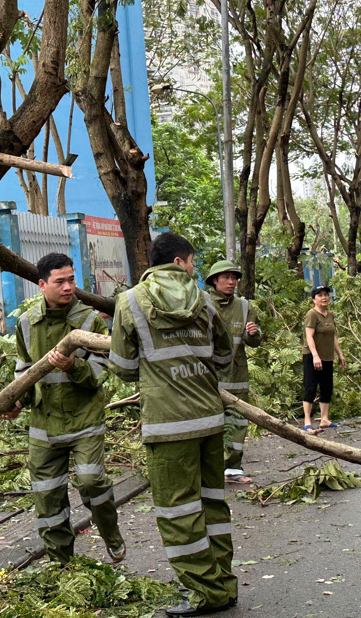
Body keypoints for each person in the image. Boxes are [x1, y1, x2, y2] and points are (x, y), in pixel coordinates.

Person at [109, 232, 237, 617]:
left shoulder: (129, 301)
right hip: (211, 421)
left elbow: (123, 368)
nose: (195, 268)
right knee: (212, 503)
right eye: (194, 262)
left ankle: (205, 592)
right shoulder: (206, 302)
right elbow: (224, 357)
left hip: (167, 426)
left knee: (177, 512)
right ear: (181, 261)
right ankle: (223, 585)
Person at [2, 252, 126, 566]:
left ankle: (111, 535)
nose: (69, 287)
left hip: (84, 419)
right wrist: (17, 400)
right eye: (60, 281)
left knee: (90, 480)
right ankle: (63, 567)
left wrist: (74, 367)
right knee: (47, 497)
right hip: (44, 425)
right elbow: (24, 372)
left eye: (71, 280)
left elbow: (100, 374)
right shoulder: (27, 323)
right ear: (42, 285)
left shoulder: (89, 320)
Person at [205, 259, 263, 485]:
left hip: (236, 377)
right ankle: (211, 469)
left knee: (237, 424)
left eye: (234, 278)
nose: (231, 282)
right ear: (214, 280)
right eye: (226, 278)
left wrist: (253, 333)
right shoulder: (203, 303)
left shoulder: (246, 306)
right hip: (207, 377)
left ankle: (232, 469)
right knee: (211, 424)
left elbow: (254, 342)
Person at [302, 285, 347, 432]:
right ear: (314, 299)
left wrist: (340, 354)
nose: (324, 298)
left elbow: (333, 336)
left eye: (326, 295)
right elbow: (309, 336)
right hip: (312, 356)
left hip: (328, 356)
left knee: (327, 387)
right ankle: (307, 421)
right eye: (320, 295)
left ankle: (324, 419)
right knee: (311, 387)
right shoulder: (312, 314)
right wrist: (315, 355)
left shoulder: (330, 315)